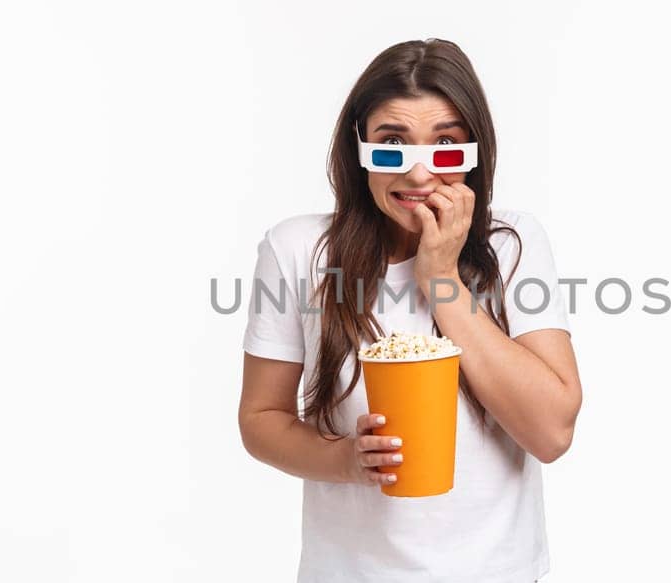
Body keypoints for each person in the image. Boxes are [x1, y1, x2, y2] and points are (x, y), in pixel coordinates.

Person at [237, 38, 583, 583]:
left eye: (445, 148)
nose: (419, 176)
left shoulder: (513, 245)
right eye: (392, 145)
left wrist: (442, 280)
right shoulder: (298, 250)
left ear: (475, 152)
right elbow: (260, 420)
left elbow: (551, 432)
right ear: (358, 149)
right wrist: (344, 461)